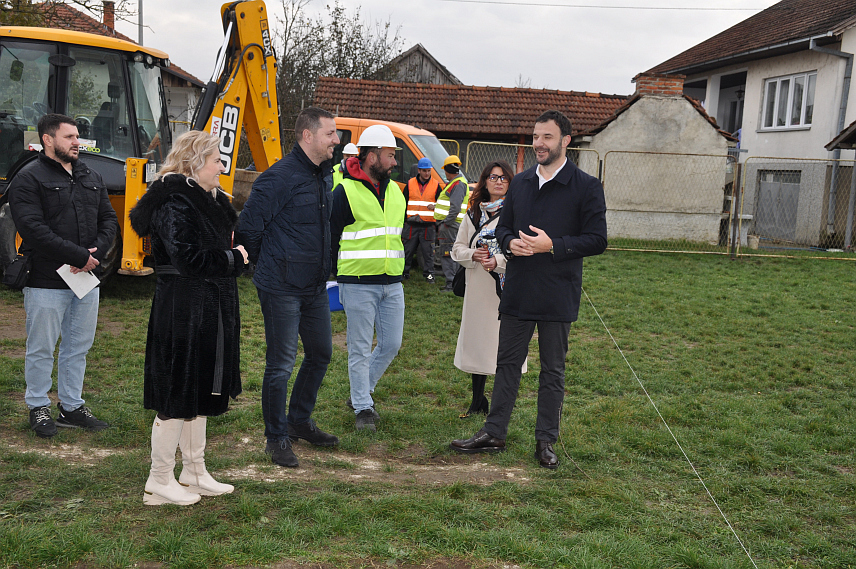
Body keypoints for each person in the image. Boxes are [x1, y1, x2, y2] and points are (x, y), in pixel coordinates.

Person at [450, 110, 607, 469]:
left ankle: (545, 442)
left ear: (565, 141)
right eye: (536, 136)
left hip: (558, 291)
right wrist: (509, 245)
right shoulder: (519, 183)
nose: (539, 143)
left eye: (547, 137)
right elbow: (503, 229)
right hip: (518, 290)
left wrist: (552, 245)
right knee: (507, 363)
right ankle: (494, 433)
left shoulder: (586, 186)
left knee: (552, 371)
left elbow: (598, 240)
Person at [129, 130, 248, 506]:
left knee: (198, 386)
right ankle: (158, 479)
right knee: (177, 389)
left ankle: (193, 470)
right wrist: (235, 259)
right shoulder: (175, 202)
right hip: (183, 308)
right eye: (216, 159)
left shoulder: (203, 199)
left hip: (208, 306)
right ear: (195, 163)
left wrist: (232, 261)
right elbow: (189, 259)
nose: (222, 166)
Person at [236, 107, 341, 468]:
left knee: (321, 353)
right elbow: (248, 229)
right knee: (280, 364)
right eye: (330, 133)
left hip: (313, 286)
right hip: (280, 286)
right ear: (308, 136)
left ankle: (298, 420)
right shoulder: (278, 177)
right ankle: (276, 437)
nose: (337, 140)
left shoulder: (323, 176)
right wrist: (273, 262)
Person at [9, 113, 118, 439]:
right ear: (48, 139)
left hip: (85, 278)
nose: (77, 142)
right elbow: (33, 229)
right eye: (69, 137)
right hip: (46, 280)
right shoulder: (28, 178)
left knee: (78, 347)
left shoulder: (91, 175)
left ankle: (71, 406)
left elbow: (109, 219)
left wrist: (94, 253)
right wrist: (79, 256)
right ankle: (38, 405)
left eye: (77, 137)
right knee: (41, 347)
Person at [330, 124, 405, 432]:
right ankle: (363, 406)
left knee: (392, 344)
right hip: (357, 281)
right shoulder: (344, 191)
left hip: (393, 282)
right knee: (360, 348)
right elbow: (330, 237)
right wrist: (330, 278)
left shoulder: (396, 192)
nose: (395, 162)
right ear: (372, 156)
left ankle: (359, 391)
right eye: (390, 155)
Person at [451, 160, 526, 418]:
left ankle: (500, 405)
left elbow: (523, 251)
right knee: (478, 344)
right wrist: (474, 255)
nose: (498, 182)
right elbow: (456, 249)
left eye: (504, 178)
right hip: (477, 288)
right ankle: (477, 400)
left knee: (501, 345)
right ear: (484, 182)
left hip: (504, 288)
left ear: (510, 183)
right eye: (493, 177)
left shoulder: (517, 213)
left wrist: (499, 261)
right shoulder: (472, 214)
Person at [402, 157, 441, 282]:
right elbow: (403, 202)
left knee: (428, 253)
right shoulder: (410, 184)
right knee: (407, 251)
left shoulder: (436, 185)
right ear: (419, 170)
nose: (427, 173)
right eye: (424, 171)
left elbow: (442, 204)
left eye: (429, 171)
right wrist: (404, 221)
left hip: (428, 226)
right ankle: (404, 274)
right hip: (411, 224)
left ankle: (429, 276)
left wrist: (436, 206)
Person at [434, 155, 469, 292]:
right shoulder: (457, 183)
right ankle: (453, 283)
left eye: (445, 170)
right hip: (452, 224)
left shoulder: (457, 184)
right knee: (450, 253)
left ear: (448, 169)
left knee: (448, 253)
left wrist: (445, 223)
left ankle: (451, 284)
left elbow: (454, 208)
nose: (445, 173)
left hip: (450, 225)